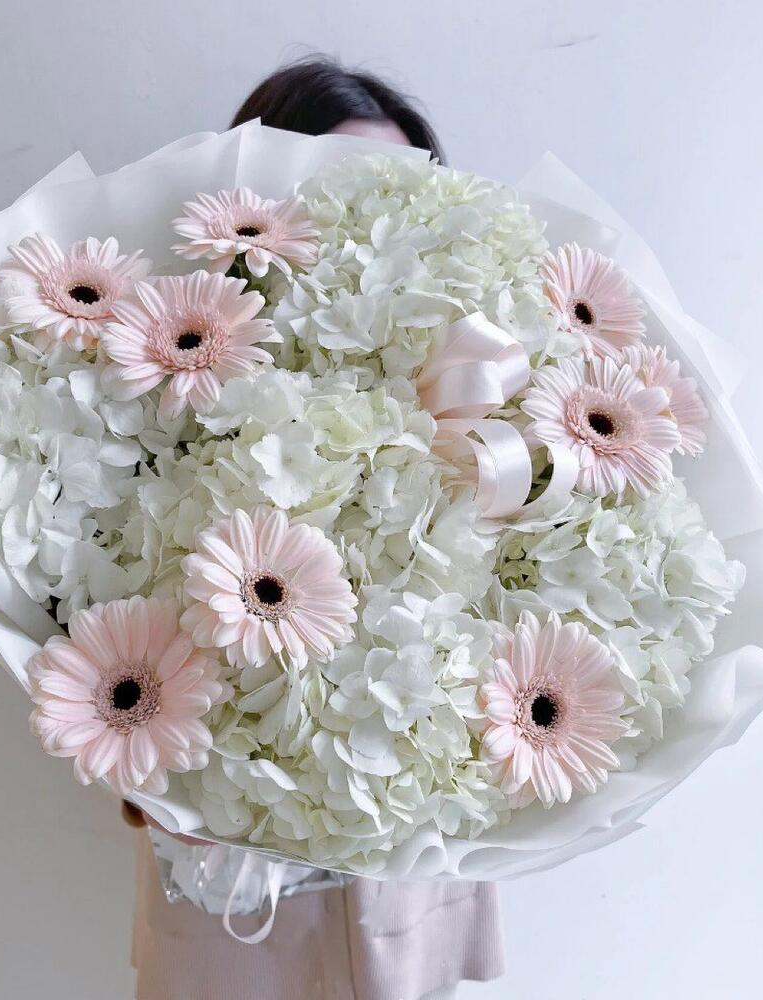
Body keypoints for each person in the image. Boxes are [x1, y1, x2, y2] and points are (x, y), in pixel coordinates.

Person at [128, 57, 503, 1000]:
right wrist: (150, 770)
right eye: (340, 187)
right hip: (231, 878)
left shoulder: (482, 385)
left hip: (408, 868)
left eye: (404, 189)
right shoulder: (169, 368)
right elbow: (92, 613)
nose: (372, 216)